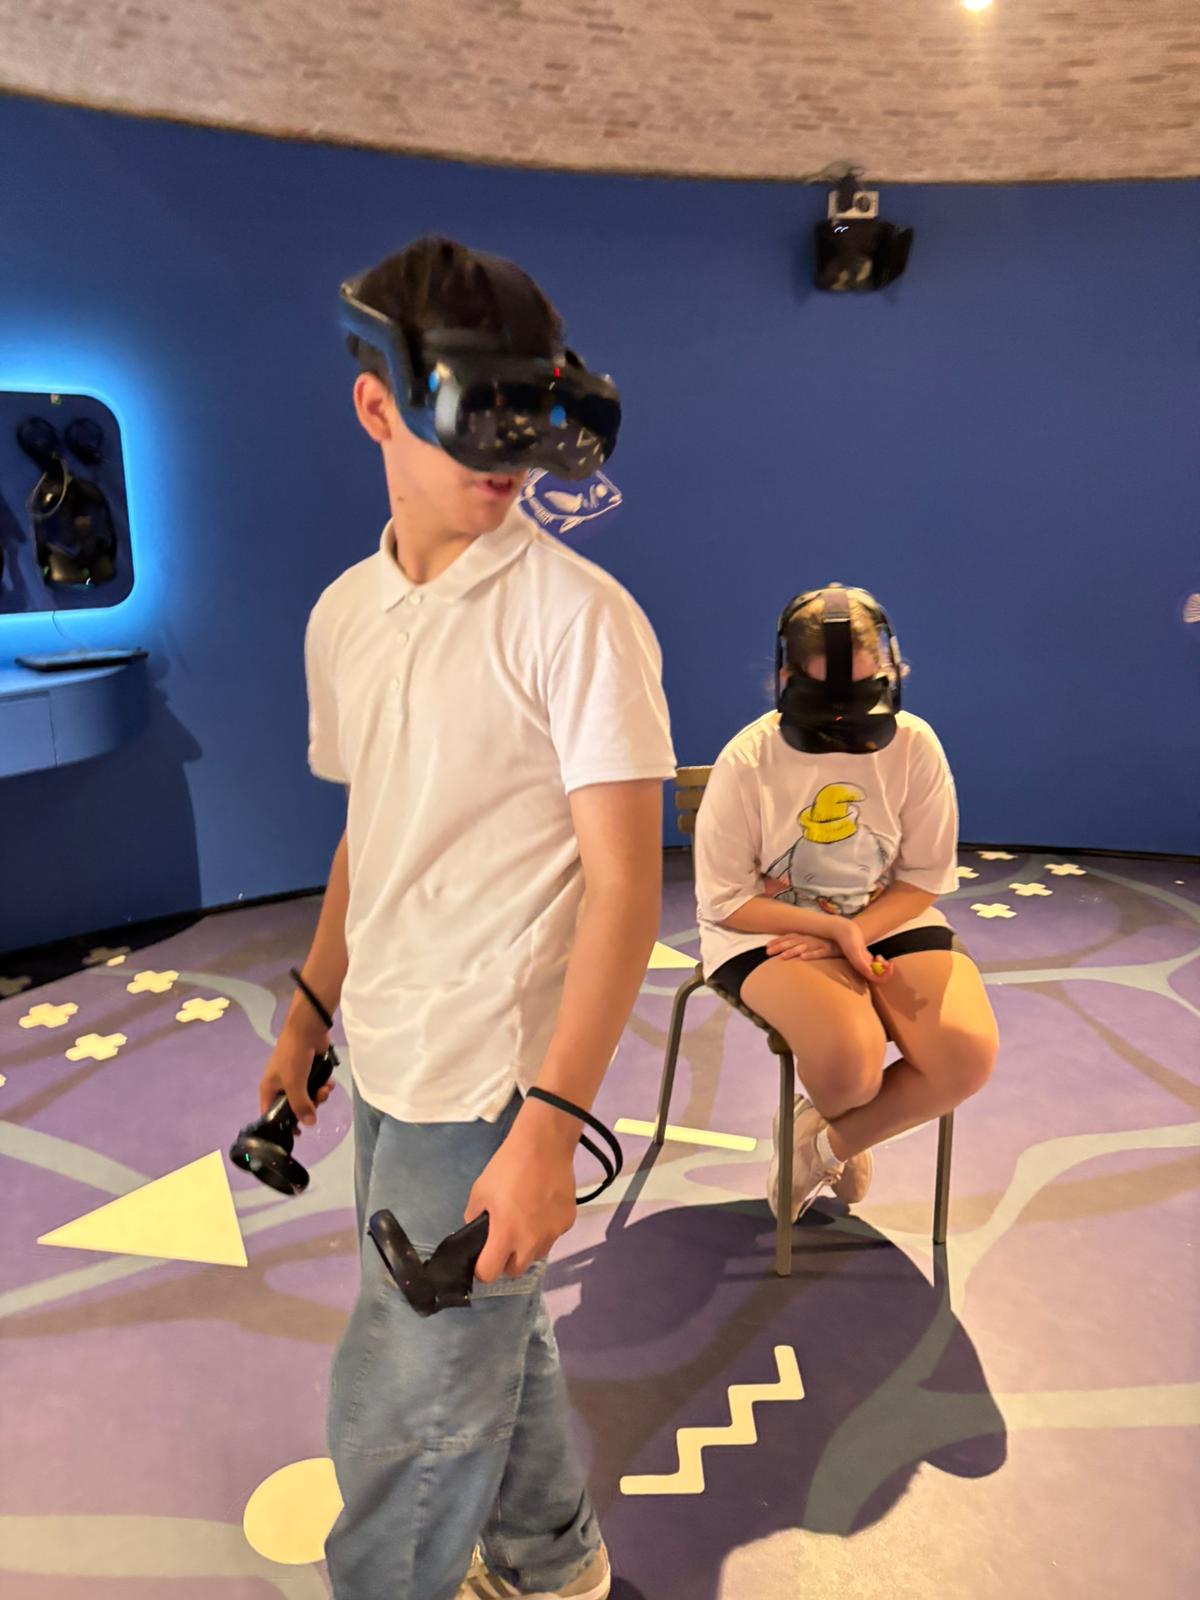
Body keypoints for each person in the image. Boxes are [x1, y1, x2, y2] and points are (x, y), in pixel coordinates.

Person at [257, 236, 675, 1600]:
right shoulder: (345, 616)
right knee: (486, 1330)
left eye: (529, 414)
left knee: (408, 1397)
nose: (512, 460)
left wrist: (548, 1129)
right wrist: (312, 1005)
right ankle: (551, 1560)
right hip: (387, 1048)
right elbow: (370, 831)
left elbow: (627, 889)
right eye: (475, 416)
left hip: (494, 1076)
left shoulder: (580, 622)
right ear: (377, 404)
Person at [693, 584, 997, 1222]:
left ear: (892, 674)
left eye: (861, 690)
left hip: (885, 914)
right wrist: (828, 930)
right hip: (763, 927)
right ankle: (846, 1117)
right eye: (825, 692)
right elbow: (725, 898)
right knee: (850, 1064)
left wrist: (852, 930)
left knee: (965, 1055)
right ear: (786, 678)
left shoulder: (915, 746)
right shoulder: (748, 759)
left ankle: (827, 1142)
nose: (842, 715)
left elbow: (923, 878)